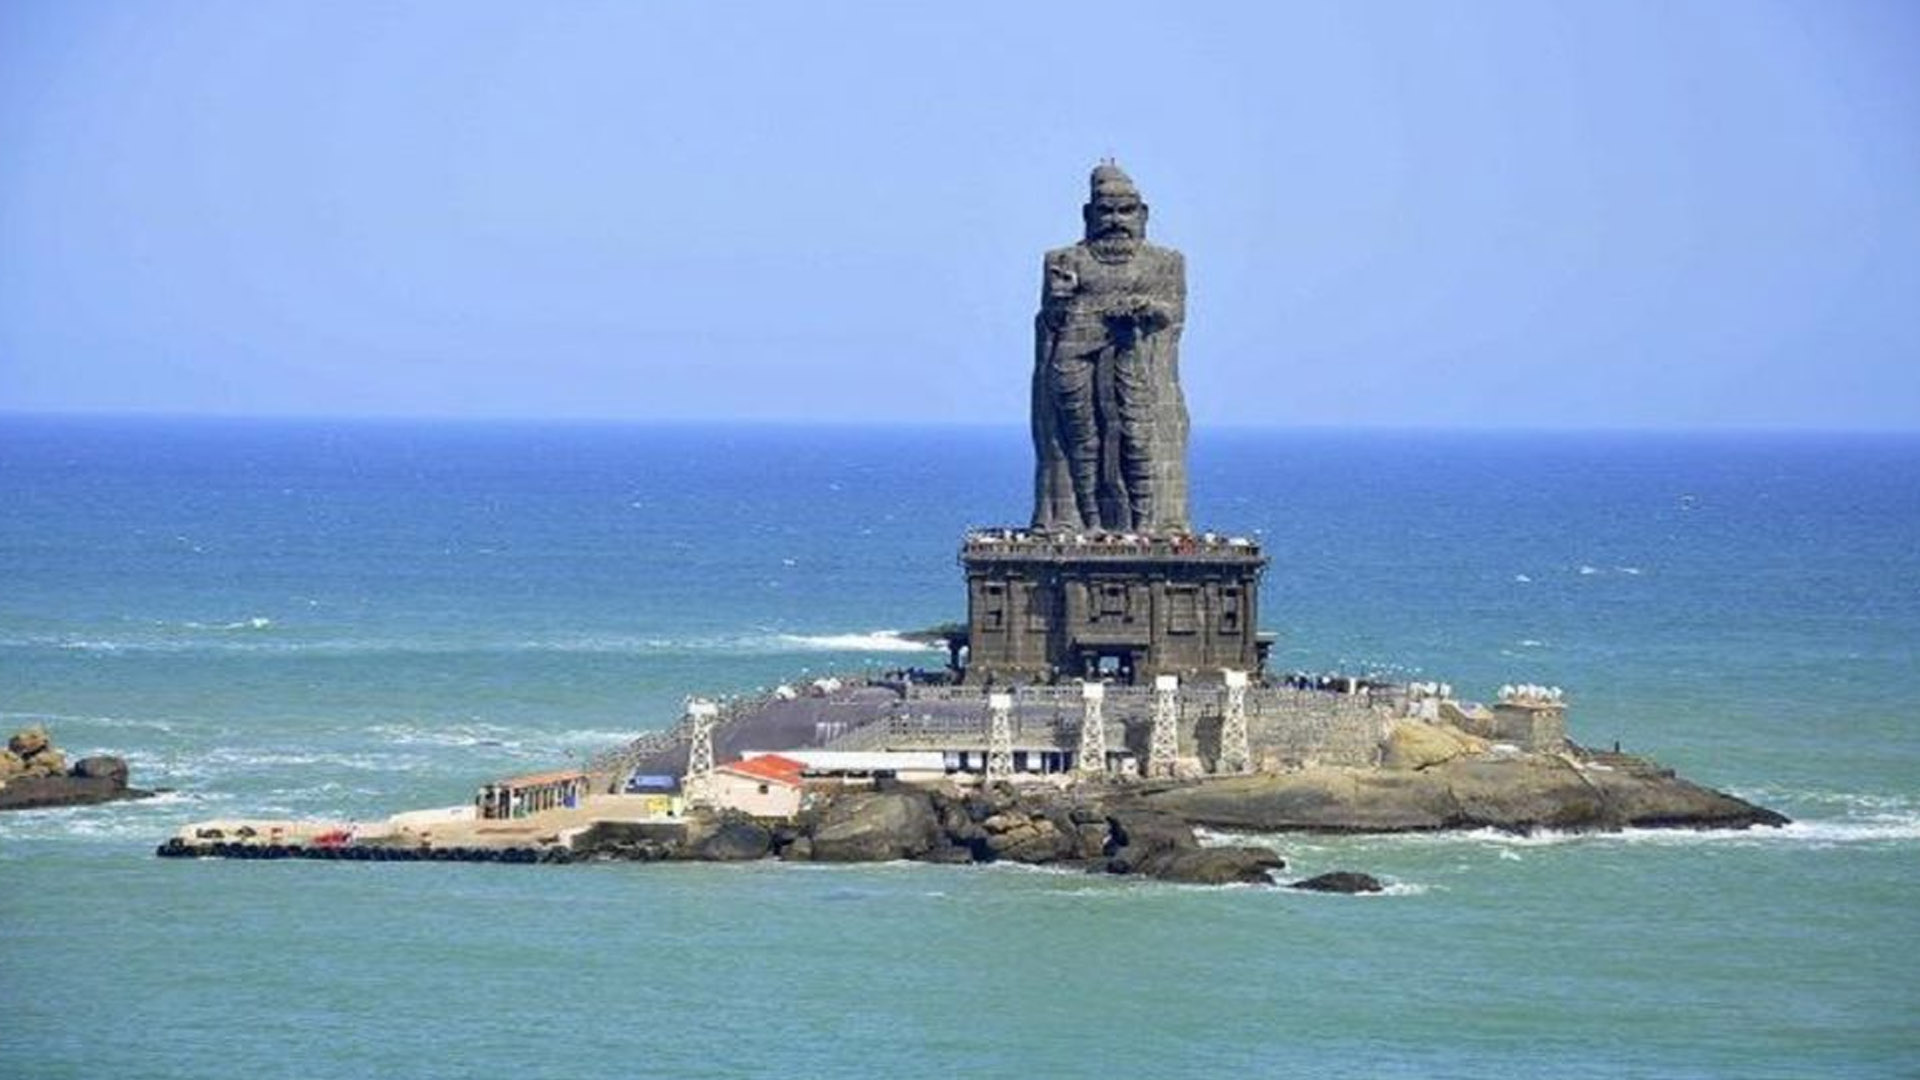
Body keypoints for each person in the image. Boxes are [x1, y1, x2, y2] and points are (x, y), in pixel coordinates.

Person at [1032, 162, 1191, 534]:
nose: (1116, 220)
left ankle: (1148, 525)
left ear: (1143, 214)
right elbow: (1050, 321)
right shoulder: (1064, 259)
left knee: (1139, 439)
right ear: (1089, 214)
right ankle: (1084, 522)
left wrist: (1148, 310)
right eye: (1106, 211)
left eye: (1126, 211)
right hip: (1073, 358)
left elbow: (1174, 316)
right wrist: (1058, 300)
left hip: (1136, 357)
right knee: (1080, 445)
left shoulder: (1165, 262)